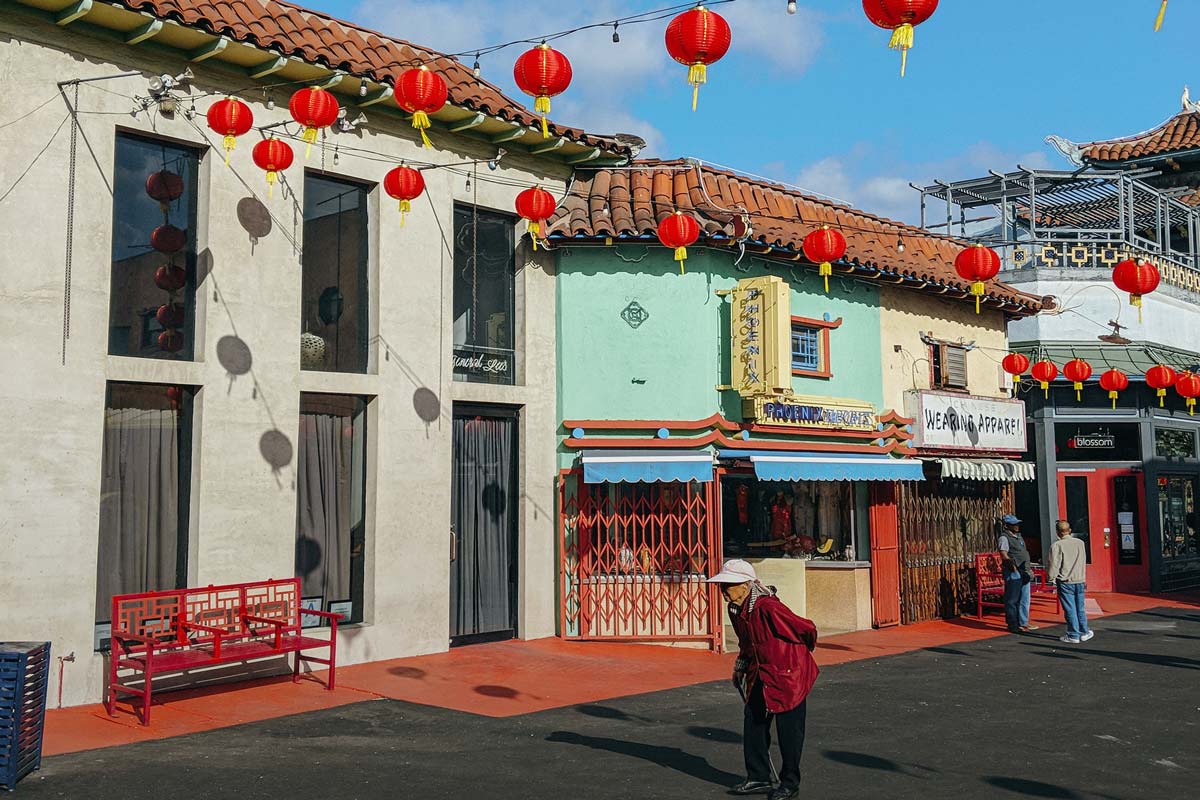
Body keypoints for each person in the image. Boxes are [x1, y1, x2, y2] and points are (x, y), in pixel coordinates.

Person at [708, 559, 818, 799]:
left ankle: (790, 783)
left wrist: (796, 657)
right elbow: (746, 642)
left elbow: (806, 628)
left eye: (728, 585)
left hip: (789, 675)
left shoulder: (768, 607)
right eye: (722, 585)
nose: (723, 591)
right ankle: (758, 777)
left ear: (746, 585)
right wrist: (740, 666)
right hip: (761, 672)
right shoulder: (736, 609)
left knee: (789, 730)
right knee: (754, 722)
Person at [1048, 520, 1094, 644]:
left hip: (1065, 580)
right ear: (1069, 530)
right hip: (1079, 579)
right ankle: (1084, 631)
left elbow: (1054, 565)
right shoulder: (1080, 543)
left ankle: (1073, 634)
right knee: (1080, 607)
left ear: (1058, 532)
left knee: (1070, 608)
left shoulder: (1057, 546)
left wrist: (1051, 578)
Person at [998, 514, 1038, 633]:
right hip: (1014, 571)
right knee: (1012, 599)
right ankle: (1013, 624)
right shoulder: (1004, 538)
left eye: (1017, 524)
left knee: (1025, 598)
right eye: (1013, 524)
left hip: (1024, 570)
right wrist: (1013, 567)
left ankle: (1023, 622)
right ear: (1007, 526)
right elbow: (1003, 553)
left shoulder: (1019, 537)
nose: (1016, 526)